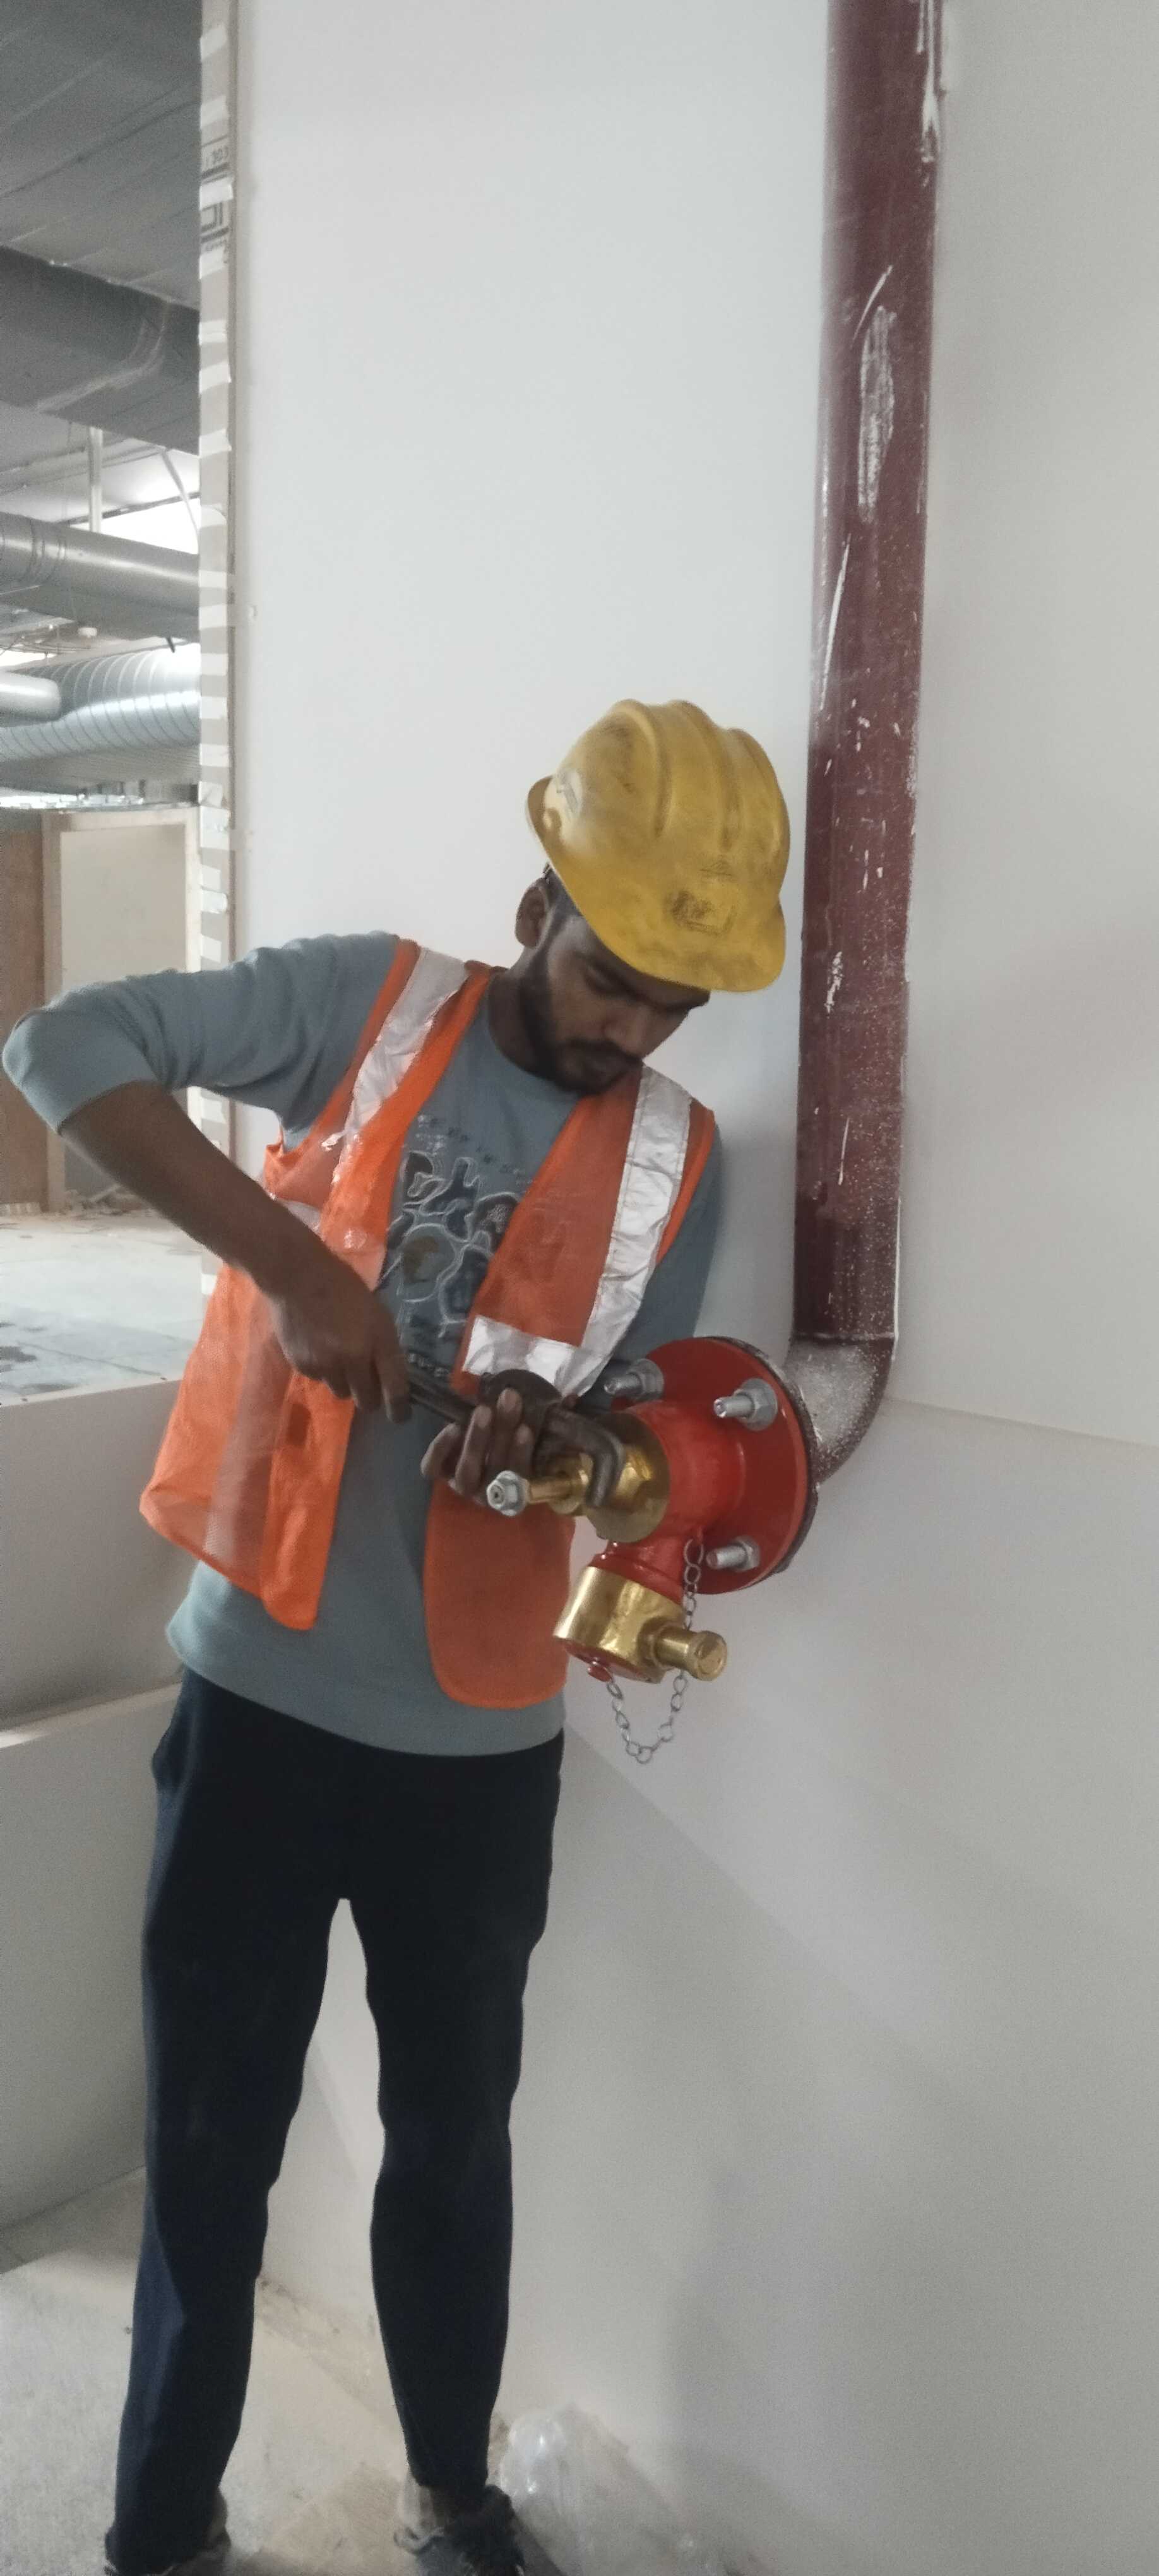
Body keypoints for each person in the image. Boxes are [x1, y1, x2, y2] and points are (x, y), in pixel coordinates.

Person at [3, 696, 789, 2576]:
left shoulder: (677, 1161)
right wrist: (295, 1268)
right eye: (607, 978)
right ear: (535, 907)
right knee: (213, 2147)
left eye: (673, 1005)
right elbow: (61, 1048)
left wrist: (554, 1445)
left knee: (452, 2146)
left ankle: (454, 2494)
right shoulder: (366, 1010)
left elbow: (636, 1421)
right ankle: (159, 2529)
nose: (630, 1032)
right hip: (260, 1703)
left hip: (478, 1747)